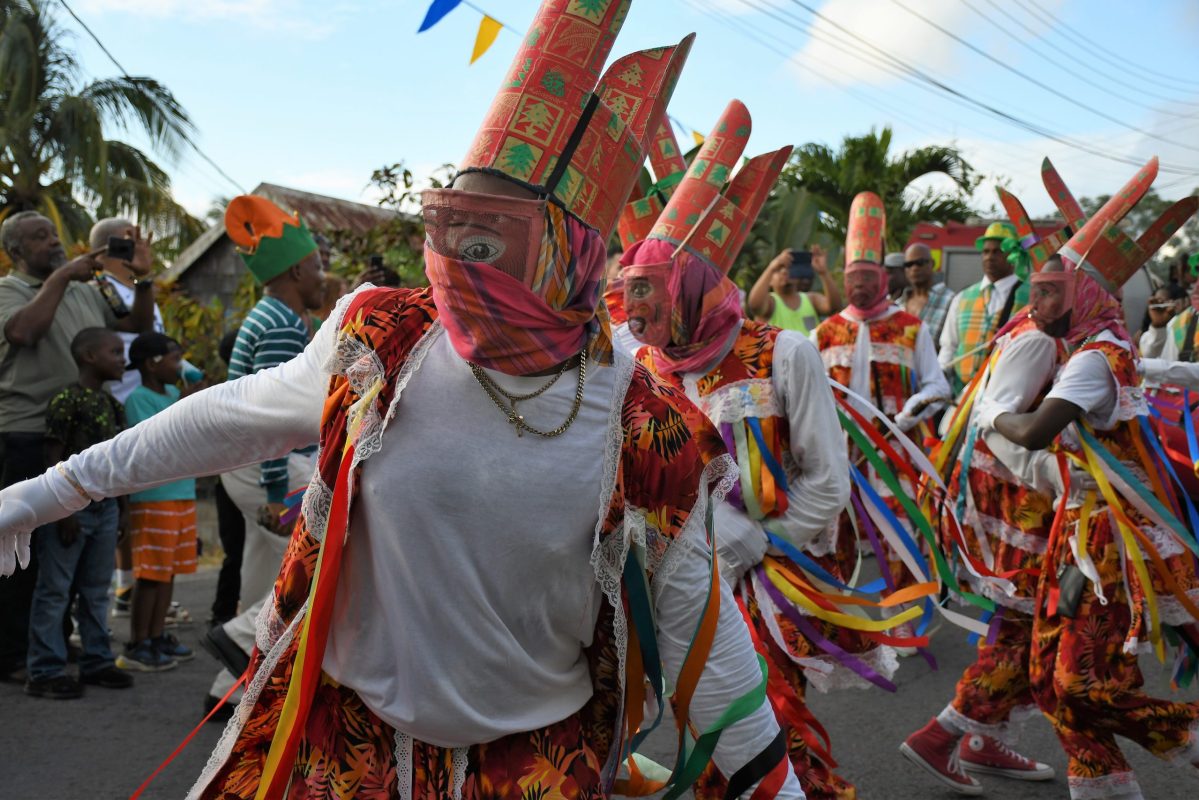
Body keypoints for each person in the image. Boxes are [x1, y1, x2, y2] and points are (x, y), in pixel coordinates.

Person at [0, 4, 808, 796]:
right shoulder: (381, 340)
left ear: (567, 250)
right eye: (447, 228)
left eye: (486, 240)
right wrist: (37, 497)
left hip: (534, 773)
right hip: (344, 759)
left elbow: (703, 640)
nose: (456, 262)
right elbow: (222, 420)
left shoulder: (644, 425)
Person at [622, 98, 856, 800]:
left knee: (769, 735)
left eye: (653, 297)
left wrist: (758, 539)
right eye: (634, 297)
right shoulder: (638, 367)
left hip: (766, 584)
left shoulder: (783, 352)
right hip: (675, 586)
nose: (639, 316)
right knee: (709, 743)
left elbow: (826, 478)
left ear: (693, 288)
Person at [981, 160, 1199, 799]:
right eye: (1035, 289)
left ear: (1083, 296)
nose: (1034, 302)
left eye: (1049, 291)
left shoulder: (1092, 362)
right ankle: (1108, 789)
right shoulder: (1092, 350)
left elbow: (1034, 432)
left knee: (1078, 683)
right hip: (1078, 527)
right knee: (1050, 679)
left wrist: (992, 410)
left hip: (1109, 537)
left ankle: (1186, 735)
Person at [900, 214, 1071, 794]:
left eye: (1057, 289)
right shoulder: (1038, 339)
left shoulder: (1049, 333)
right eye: (1042, 287)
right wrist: (1053, 471)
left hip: (1019, 497)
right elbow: (992, 417)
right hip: (1013, 501)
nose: (1044, 296)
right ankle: (946, 733)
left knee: (1020, 623)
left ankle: (975, 738)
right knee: (1031, 626)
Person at [0, 211, 156, 684]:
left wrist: (143, 279)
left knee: (69, 552)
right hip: (28, 434)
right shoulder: (10, 290)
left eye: (53, 233)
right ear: (16, 251)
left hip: (84, 441)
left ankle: (51, 642)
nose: (53, 241)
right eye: (39, 237)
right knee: (25, 551)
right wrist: (65, 276)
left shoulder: (91, 291)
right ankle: (12, 653)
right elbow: (23, 332)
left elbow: (137, 327)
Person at [201, 194, 325, 714]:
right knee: (303, 567)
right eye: (319, 266)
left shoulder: (273, 315)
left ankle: (227, 691)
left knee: (262, 567)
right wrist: (278, 492)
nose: (324, 276)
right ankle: (236, 636)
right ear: (298, 270)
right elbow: (274, 419)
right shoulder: (279, 324)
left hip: (249, 461)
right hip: (267, 464)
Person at [814, 192, 951, 591]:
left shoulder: (911, 327)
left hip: (895, 450)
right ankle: (842, 622)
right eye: (852, 279)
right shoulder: (823, 333)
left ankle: (907, 614)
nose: (858, 288)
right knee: (834, 537)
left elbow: (937, 384)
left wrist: (905, 417)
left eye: (867, 279)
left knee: (900, 533)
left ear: (883, 280)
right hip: (837, 455)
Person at [24, 328, 134, 698]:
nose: (123, 359)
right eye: (115, 352)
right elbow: (51, 458)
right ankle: (44, 670)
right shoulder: (66, 401)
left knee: (96, 590)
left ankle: (97, 660)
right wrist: (63, 511)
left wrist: (122, 511)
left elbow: (118, 464)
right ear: (89, 356)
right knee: (54, 590)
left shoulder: (112, 406)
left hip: (105, 513)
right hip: (70, 512)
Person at [114, 332, 198, 672]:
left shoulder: (177, 393)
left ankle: (158, 633)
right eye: (175, 358)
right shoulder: (138, 399)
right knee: (149, 574)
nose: (180, 366)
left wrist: (190, 396)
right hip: (154, 496)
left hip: (182, 493)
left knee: (168, 572)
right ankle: (138, 642)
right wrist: (187, 402)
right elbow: (155, 438)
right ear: (152, 363)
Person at [939, 222, 1029, 395]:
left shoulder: (1031, 297)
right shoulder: (962, 298)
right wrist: (939, 379)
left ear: (1013, 255)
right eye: (986, 251)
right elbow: (949, 346)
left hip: (1006, 396)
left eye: (997, 251)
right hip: (961, 395)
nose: (989, 257)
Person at [208, 330, 247, 629]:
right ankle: (226, 614)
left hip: (226, 481)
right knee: (239, 550)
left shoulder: (224, 391)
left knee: (235, 550)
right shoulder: (242, 394)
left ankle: (224, 612)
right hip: (240, 479)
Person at [748, 245, 841, 336]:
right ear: (770, 280)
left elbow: (834, 307)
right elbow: (755, 306)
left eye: (789, 267)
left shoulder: (811, 299)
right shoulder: (770, 303)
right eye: (778, 269)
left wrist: (823, 272)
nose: (784, 271)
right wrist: (772, 267)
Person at [898, 242, 956, 344]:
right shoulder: (898, 304)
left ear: (932, 264)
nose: (914, 268)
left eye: (920, 262)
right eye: (909, 264)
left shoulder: (950, 300)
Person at [1140, 286, 1180, 358]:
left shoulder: (1185, 329)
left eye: (1165, 302)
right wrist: (1159, 326)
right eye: (1157, 302)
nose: (1161, 305)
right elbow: (1149, 357)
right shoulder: (1146, 337)